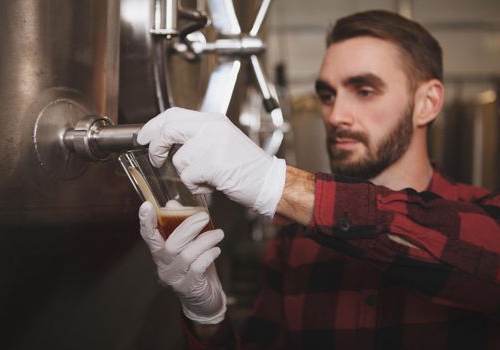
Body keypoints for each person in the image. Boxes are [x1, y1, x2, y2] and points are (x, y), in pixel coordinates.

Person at [137, 10, 500, 349]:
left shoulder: (482, 217)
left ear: (428, 103)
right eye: (327, 95)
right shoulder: (294, 242)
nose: (336, 114)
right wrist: (207, 319)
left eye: (364, 90)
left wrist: (273, 183)